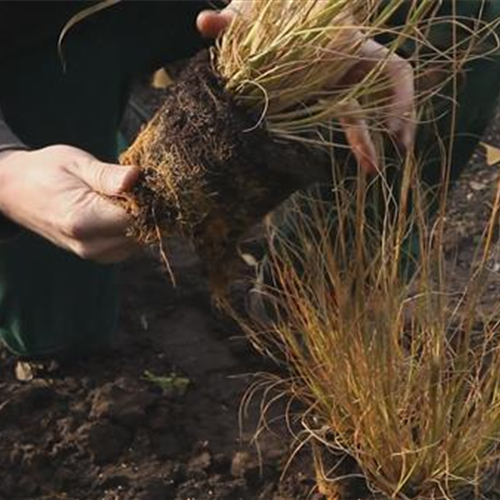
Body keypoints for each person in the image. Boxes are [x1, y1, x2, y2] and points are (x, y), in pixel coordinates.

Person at [0, 1, 497, 367]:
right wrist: (9, 171)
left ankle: (306, 294)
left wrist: (298, 19)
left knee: (463, 12)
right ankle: (103, 122)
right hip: (27, 35)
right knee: (61, 334)